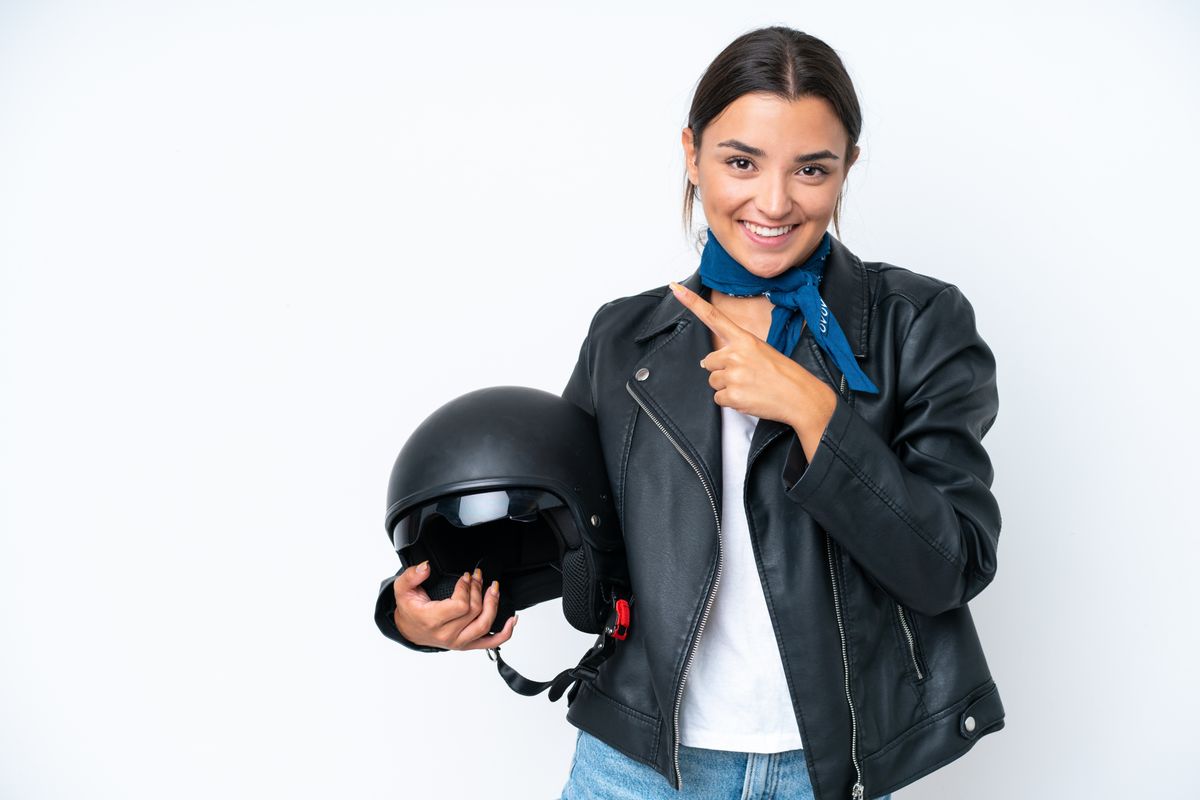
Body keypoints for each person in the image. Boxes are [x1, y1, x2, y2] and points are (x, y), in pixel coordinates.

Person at [377, 25, 1004, 800]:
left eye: (812, 168)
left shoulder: (918, 324)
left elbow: (950, 567)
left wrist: (817, 416)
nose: (773, 201)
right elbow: (575, 537)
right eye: (741, 161)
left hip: (826, 771)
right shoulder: (625, 336)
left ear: (848, 169)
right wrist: (426, 610)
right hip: (635, 766)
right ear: (691, 152)